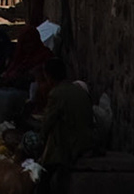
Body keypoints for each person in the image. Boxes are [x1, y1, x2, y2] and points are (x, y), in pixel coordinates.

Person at [37, 57, 93, 185]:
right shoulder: (79, 90)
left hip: (73, 144)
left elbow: (47, 123)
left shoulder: (56, 94)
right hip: (87, 139)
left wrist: (40, 140)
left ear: (49, 76)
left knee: (46, 166)